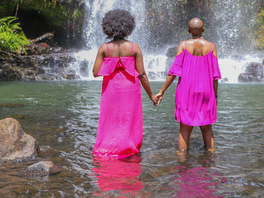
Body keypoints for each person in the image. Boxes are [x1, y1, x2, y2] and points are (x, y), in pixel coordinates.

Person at [92, 9, 158, 158]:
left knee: (111, 117)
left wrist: (112, 64)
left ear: (107, 27)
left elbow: (95, 72)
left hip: (111, 89)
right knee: (129, 118)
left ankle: (108, 147)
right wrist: (151, 96)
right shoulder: (134, 48)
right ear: (128, 26)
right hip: (130, 88)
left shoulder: (105, 48)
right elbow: (142, 75)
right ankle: (128, 148)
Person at [156, 18, 221, 153]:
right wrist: (215, 94)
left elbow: (174, 71)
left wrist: (162, 91)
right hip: (206, 91)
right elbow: (215, 74)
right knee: (207, 128)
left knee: (185, 129)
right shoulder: (211, 46)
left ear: (189, 30)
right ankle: (211, 158)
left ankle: (182, 160)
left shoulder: (183, 45)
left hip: (187, 90)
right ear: (203, 29)